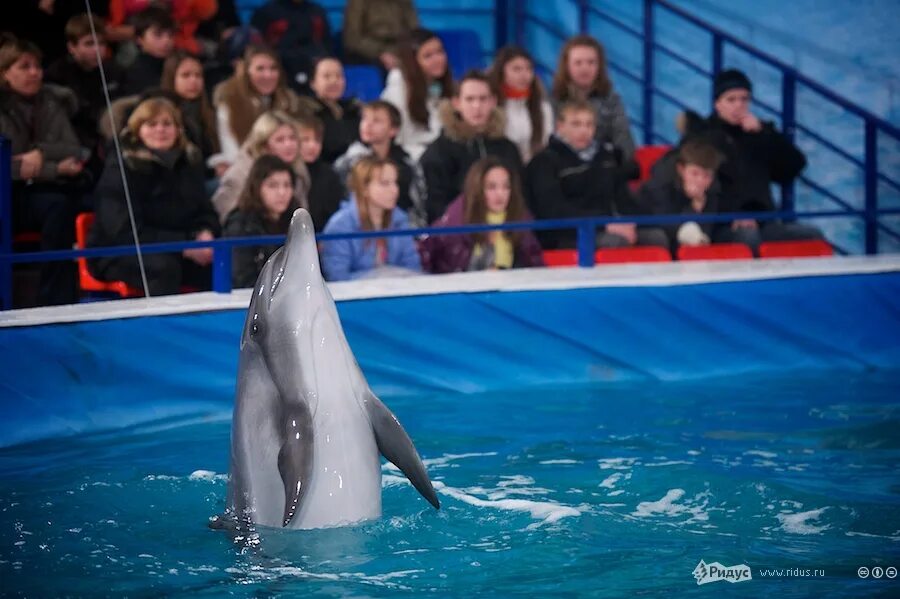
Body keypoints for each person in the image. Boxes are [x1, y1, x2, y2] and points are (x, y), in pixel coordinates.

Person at [681, 68, 825, 254]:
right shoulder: (702, 137)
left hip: (763, 221)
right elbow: (695, 185)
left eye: (744, 99)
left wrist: (764, 135)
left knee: (812, 235)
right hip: (720, 223)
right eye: (731, 100)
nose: (738, 105)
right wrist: (734, 216)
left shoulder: (761, 134)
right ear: (717, 104)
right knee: (748, 237)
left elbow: (793, 168)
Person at [88, 97, 220, 295]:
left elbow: (206, 211)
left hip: (178, 246)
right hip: (119, 251)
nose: (160, 130)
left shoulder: (189, 163)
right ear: (137, 130)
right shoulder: (120, 167)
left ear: (178, 130)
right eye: (152, 124)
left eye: (167, 124)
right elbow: (123, 231)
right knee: (164, 268)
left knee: (222, 262)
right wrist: (183, 245)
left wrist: (205, 232)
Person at [0, 37, 88, 305]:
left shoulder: (51, 101)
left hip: (37, 192)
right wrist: (54, 168)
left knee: (60, 207)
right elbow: (6, 163)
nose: (34, 73)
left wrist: (39, 153)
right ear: (4, 73)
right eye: (24, 67)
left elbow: (73, 148)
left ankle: (54, 300)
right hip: (6, 192)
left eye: (37, 66)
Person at [526, 100, 668, 250]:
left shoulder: (605, 158)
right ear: (560, 126)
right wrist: (605, 224)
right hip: (566, 234)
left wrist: (631, 222)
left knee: (657, 237)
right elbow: (553, 211)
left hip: (607, 224)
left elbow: (622, 198)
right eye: (576, 124)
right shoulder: (544, 162)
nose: (584, 131)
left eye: (589, 125)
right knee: (615, 242)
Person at [419, 70, 523, 222]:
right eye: (469, 99)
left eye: (483, 99)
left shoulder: (508, 149)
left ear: (493, 102)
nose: (477, 106)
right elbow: (436, 205)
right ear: (456, 103)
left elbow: (520, 196)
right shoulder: (440, 151)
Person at [420, 157, 543, 274]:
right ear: (477, 189)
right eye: (491, 187)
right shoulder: (454, 220)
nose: (500, 194)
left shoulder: (521, 220)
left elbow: (536, 268)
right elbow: (424, 257)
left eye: (506, 187)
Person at [45, 14, 124, 180]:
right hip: (75, 144)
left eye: (101, 43)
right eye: (89, 44)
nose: (97, 49)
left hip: (110, 140)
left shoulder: (114, 71)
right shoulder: (57, 75)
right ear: (72, 47)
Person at [320, 156, 421, 281]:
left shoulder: (400, 221)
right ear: (364, 188)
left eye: (395, 182)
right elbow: (337, 277)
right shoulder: (339, 226)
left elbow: (413, 268)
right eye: (385, 183)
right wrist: (379, 277)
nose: (394, 190)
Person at [551, 35, 636, 175]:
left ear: (599, 66)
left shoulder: (612, 100)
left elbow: (624, 143)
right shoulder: (553, 100)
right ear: (566, 66)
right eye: (578, 63)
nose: (585, 68)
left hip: (604, 169)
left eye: (591, 62)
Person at [334, 100, 427, 227]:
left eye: (376, 121)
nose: (368, 125)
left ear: (393, 130)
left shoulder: (408, 164)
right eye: (365, 119)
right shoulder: (347, 164)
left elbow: (418, 206)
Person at [211, 44, 301, 172]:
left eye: (273, 68)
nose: (268, 75)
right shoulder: (230, 102)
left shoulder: (289, 101)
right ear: (247, 72)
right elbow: (231, 152)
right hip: (245, 171)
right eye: (260, 69)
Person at [211, 110, 310, 223]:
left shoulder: (299, 170)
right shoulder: (239, 175)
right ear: (263, 145)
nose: (289, 145)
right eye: (280, 140)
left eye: (292, 138)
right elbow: (229, 220)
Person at [223, 154, 299, 288]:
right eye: (273, 185)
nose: (282, 192)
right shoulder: (241, 224)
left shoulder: (295, 220)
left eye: (287, 185)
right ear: (257, 188)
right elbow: (242, 279)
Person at [638, 140, 724, 253]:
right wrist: (693, 208)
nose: (700, 181)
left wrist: (699, 204)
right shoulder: (659, 187)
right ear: (681, 169)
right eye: (695, 173)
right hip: (655, 234)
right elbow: (668, 226)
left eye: (707, 176)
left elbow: (705, 233)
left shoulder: (712, 192)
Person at [380, 28, 453, 161]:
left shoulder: (444, 87)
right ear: (412, 62)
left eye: (440, 52)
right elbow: (398, 142)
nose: (438, 59)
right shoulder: (398, 91)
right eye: (428, 56)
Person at [250, 0, 332, 93]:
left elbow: (327, 47)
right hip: (280, 71)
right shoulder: (265, 12)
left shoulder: (317, 12)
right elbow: (257, 50)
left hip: (313, 71)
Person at [490, 45, 553, 163]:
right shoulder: (490, 105)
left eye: (529, 69)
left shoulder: (543, 107)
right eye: (516, 69)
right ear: (501, 72)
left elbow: (545, 145)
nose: (524, 75)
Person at [161, 50, 220, 167]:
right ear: (172, 78)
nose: (193, 81)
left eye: (198, 75)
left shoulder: (210, 112)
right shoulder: (163, 113)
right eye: (185, 75)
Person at [297, 56, 362, 163]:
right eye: (326, 76)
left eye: (339, 76)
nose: (334, 81)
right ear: (313, 83)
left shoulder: (354, 110)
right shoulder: (306, 113)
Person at [295, 114, 343, 232]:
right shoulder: (286, 172)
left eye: (317, 140)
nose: (312, 146)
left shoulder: (330, 175)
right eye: (305, 140)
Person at [341, 0, 418, 72]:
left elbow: (415, 32)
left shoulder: (404, 2)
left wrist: (403, 53)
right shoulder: (358, 3)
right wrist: (380, 54)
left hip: (400, 50)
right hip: (369, 54)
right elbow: (352, 39)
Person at [119, 6, 176, 96]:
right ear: (140, 39)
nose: (167, 41)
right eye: (158, 34)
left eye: (170, 35)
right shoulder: (132, 75)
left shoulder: (178, 66)